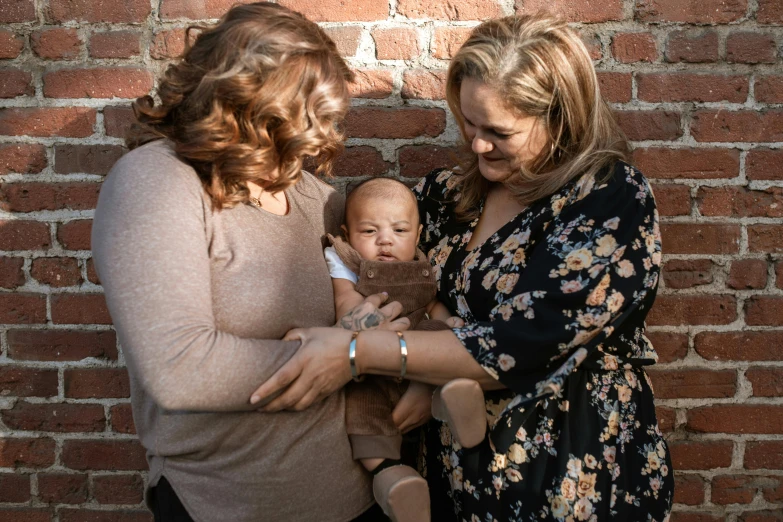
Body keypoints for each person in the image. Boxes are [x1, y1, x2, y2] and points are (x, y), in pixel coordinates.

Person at [251, 13, 674, 522]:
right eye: (468, 123)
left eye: (498, 131)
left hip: (566, 477)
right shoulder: (449, 194)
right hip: (456, 479)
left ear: (561, 119)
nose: (476, 144)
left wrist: (362, 352)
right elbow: (379, 268)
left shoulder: (607, 198)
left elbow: (522, 344)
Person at [91, 3, 407, 520]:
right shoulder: (157, 183)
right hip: (230, 503)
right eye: (303, 122)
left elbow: (376, 312)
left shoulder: (319, 200)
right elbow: (181, 369)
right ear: (243, 103)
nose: (322, 140)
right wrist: (349, 356)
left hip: (356, 499)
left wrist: (394, 369)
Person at [321, 177, 487, 521]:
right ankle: (393, 476)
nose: (385, 240)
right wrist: (357, 318)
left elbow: (433, 305)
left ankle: (455, 396)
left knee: (440, 336)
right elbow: (345, 298)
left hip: (421, 356)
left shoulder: (422, 263)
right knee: (362, 415)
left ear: (418, 232)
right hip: (371, 369)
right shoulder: (345, 259)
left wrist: (450, 323)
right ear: (347, 232)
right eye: (369, 231)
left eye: (399, 230)